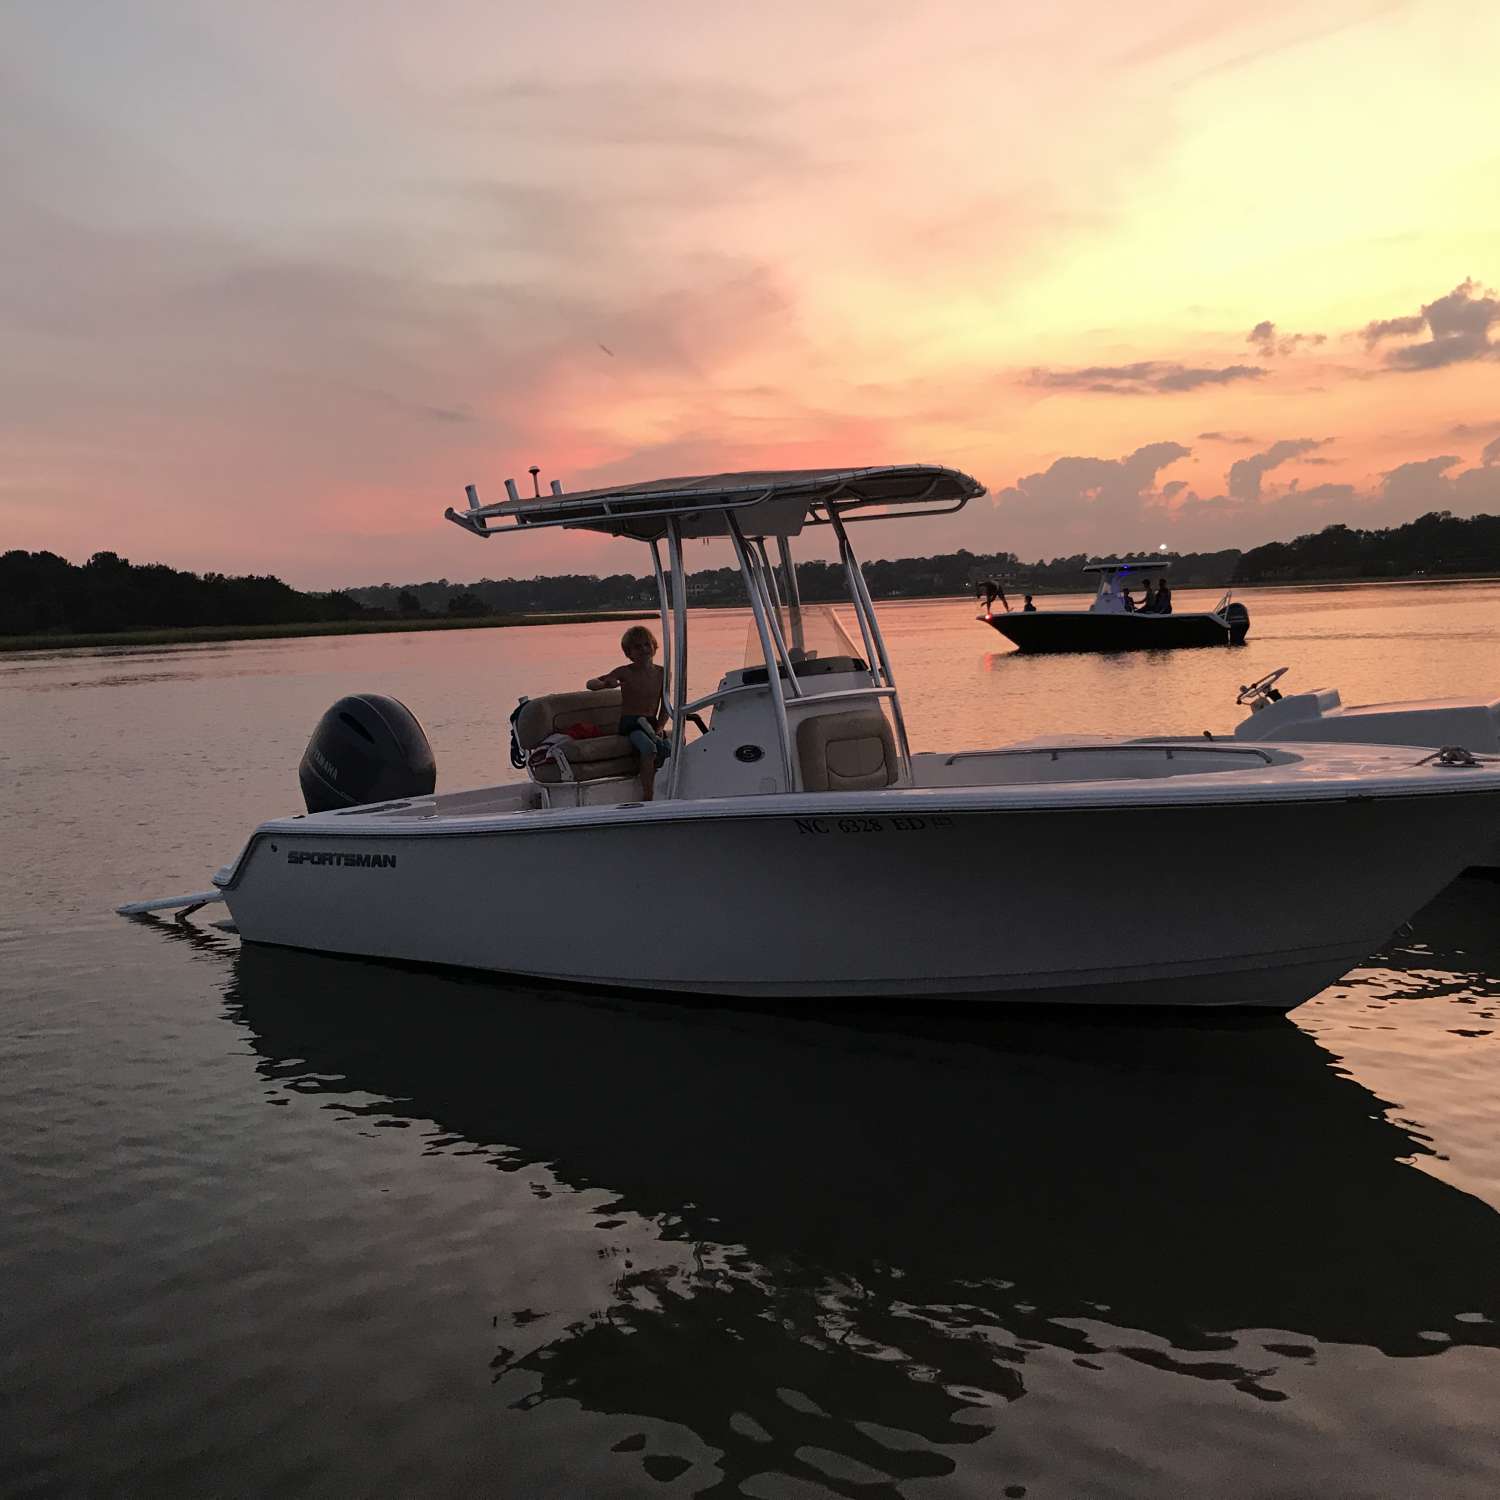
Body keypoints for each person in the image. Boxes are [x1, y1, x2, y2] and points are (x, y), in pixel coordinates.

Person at [587, 625, 671, 800]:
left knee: (671, 748)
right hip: (631, 723)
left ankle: (670, 789)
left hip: (651, 722)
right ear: (629, 653)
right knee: (649, 749)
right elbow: (591, 683)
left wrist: (661, 726)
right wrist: (605, 684)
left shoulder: (663, 673)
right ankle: (648, 795)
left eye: (647, 645)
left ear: (654, 646)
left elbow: (665, 706)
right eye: (637, 647)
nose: (644, 650)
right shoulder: (625, 672)